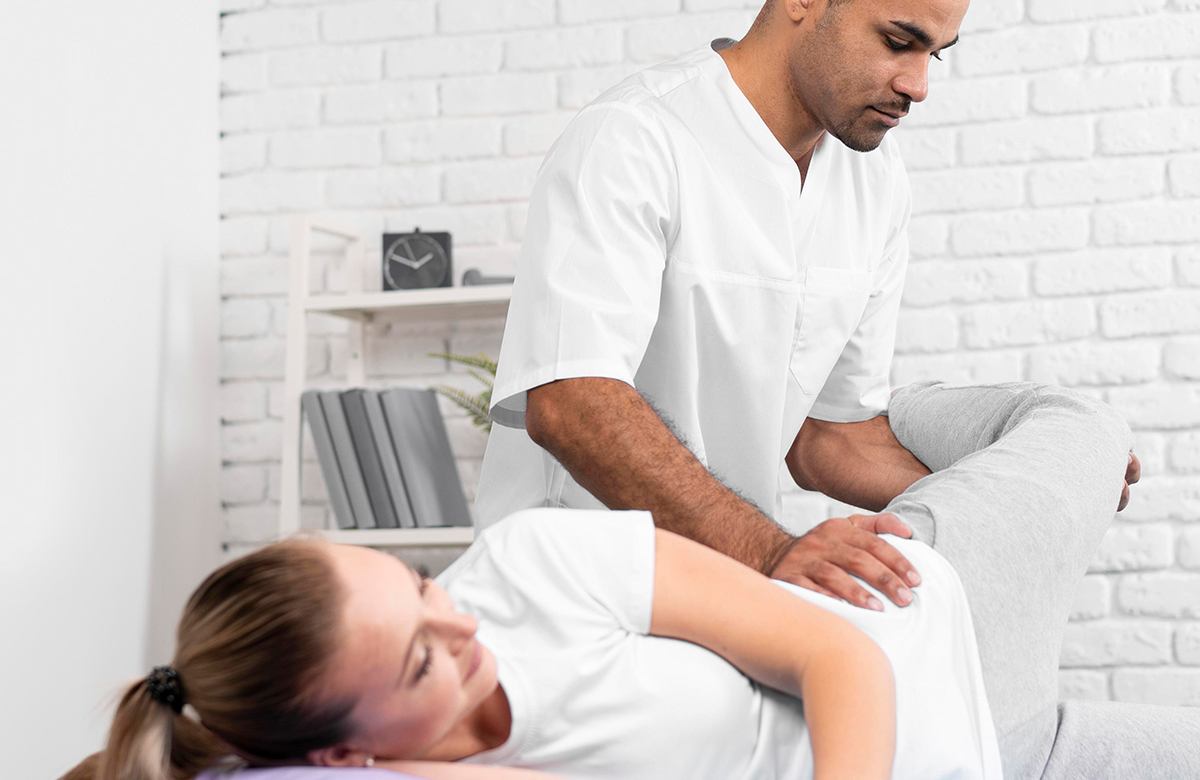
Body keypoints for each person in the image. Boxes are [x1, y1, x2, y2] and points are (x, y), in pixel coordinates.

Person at [467, 0, 1176, 776]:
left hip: (746, 607)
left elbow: (829, 438)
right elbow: (570, 401)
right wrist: (771, 551)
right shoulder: (633, 139)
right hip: (595, 613)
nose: (918, 84)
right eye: (898, 42)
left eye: (936, 55)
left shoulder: (876, 181)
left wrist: (1034, 488)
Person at [72, 383, 1100, 780]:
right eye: (422, 659)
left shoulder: (529, 566)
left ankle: (861, 419)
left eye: (420, 586)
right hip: (986, 756)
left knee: (1082, 429)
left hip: (928, 615)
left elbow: (837, 656)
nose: (461, 626)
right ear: (345, 755)